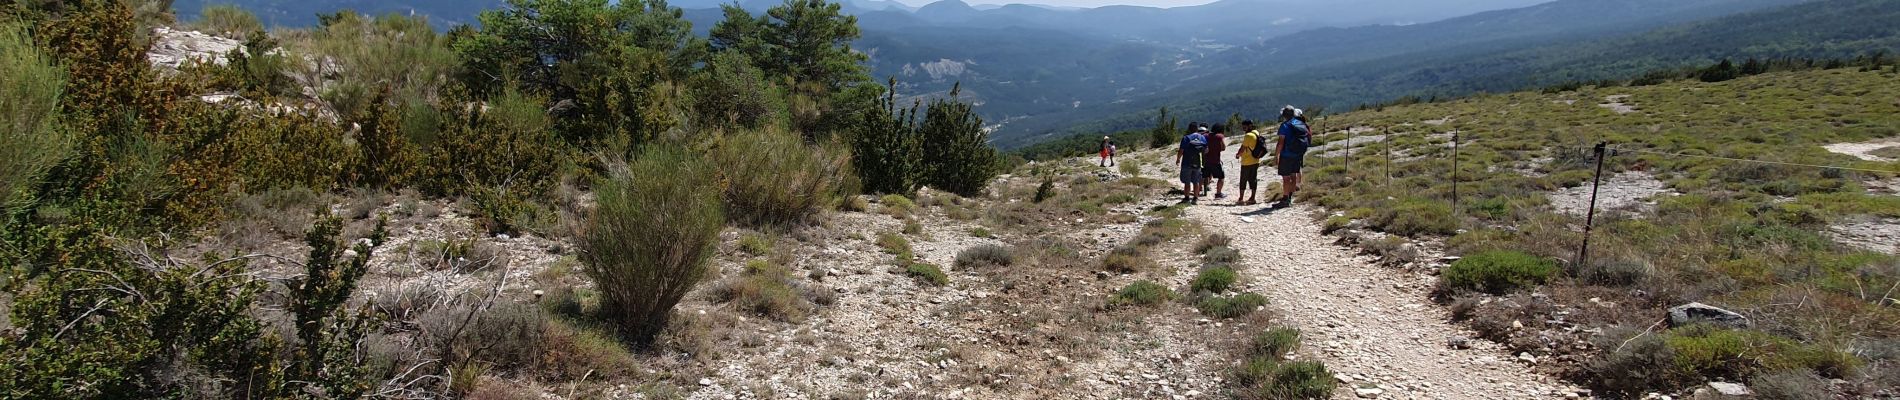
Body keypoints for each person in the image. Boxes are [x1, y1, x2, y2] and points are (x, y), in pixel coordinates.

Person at [1270, 106, 1311, 208]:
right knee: (1293, 176)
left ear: (1284, 115)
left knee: (1286, 178)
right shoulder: (1300, 124)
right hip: (1297, 154)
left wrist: (1276, 156)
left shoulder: (1284, 126)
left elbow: (1280, 143)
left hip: (1286, 155)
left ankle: (1285, 199)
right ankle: (1290, 198)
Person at [1175, 122, 1208, 204]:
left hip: (1187, 162)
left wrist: (1178, 159)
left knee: (1187, 182)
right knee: (1196, 181)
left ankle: (1186, 198)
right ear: (1197, 128)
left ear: (1189, 129)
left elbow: (1181, 150)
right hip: (1198, 163)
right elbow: (1206, 150)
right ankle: (1195, 198)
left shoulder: (1186, 138)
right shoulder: (1202, 138)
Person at [1233, 120, 1263, 205]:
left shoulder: (1248, 136)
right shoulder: (1256, 132)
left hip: (1246, 161)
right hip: (1256, 160)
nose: (1243, 128)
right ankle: (1252, 198)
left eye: (1244, 127)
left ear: (1249, 126)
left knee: (1243, 180)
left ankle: (1241, 198)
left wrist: (1238, 155)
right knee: (1253, 179)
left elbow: (1243, 148)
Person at [1203, 124, 1228, 199]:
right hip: (1215, 161)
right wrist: (1217, 149)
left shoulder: (1205, 136)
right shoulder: (1220, 136)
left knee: (1204, 176)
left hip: (1205, 160)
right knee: (1221, 177)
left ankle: (1200, 192)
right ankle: (1218, 193)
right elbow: (1223, 148)